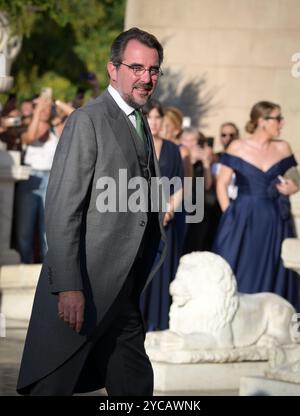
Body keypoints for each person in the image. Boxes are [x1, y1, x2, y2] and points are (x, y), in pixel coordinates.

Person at [17, 27, 167, 396]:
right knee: (52, 384)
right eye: (136, 67)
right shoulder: (88, 120)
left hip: (124, 287)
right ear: (113, 69)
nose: (146, 78)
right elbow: (62, 208)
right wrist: (69, 286)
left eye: (153, 70)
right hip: (86, 285)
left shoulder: (139, 118)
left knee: (134, 384)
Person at [213, 101, 300, 310]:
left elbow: (296, 179)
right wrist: (230, 214)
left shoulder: (283, 147)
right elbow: (221, 183)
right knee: (239, 264)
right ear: (262, 121)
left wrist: (292, 187)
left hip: (274, 219)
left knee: (275, 267)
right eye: (277, 118)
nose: (281, 123)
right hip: (242, 217)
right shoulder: (237, 147)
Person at [140, 100, 183, 331]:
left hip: (167, 219)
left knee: (164, 269)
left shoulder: (172, 149)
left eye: (158, 118)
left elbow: (181, 183)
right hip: (140, 218)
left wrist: (169, 208)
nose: (154, 122)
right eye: (150, 117)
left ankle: (161, 324)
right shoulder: (135, 145)